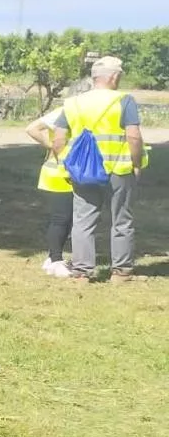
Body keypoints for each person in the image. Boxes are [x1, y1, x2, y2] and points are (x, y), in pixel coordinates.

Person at [50, 55, 146, 281]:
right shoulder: (124, 100)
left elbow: (58, 139)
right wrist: (137, 163)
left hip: (83, 171)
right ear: (114, 77)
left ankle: (82, 271)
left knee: (83, 220)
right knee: (121, 219)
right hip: (118, 169)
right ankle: (121, 272)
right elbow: (133, 136)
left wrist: (65, 164)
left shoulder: (73, 102)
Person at [27, 101, 76, 277]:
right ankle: (55, 260)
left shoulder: (67, 110)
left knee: (68, 218)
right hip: (59, 172)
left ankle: (52, 257)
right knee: (61, 218)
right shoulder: (64, 111)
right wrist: (51, 145)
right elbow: (32, 128)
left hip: (69, 171)